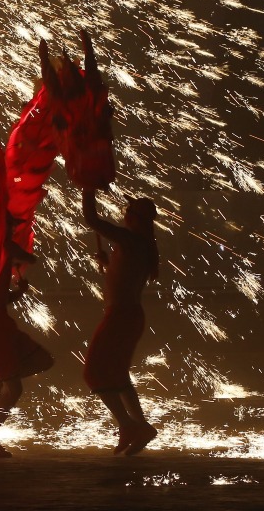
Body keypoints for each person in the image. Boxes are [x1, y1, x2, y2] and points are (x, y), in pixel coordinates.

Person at [81, 189, 159, 456]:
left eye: (128, 212)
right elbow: (125, 274)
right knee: (118, 373)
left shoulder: (128, 239)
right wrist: (109, 262)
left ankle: (128, 425)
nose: (124, 214)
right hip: (131, 315)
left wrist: (86, 187)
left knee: (93, 373)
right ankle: (141, 426)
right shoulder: (141, 245)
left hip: (120, 317)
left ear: (135, 219)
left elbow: (91, 220)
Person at [0, 222, 54, 458]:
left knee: (42, 360)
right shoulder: (0, 247)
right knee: (15, 388)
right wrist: (17, 256)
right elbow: (31, 258)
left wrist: (18, 292)